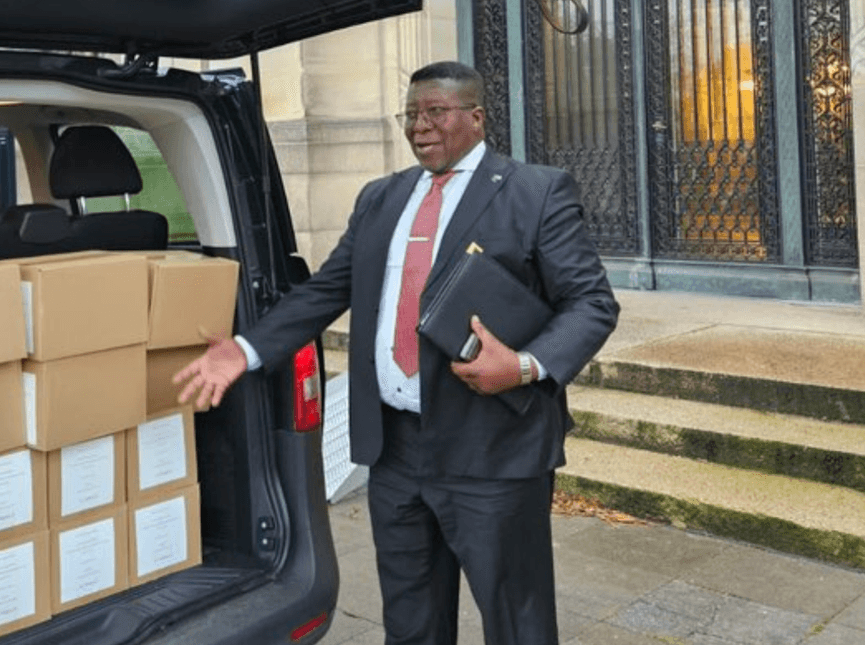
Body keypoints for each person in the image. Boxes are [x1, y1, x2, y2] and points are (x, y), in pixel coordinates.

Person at [174, 60, 619, 645]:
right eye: (410, 114)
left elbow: (591, 303)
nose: (419, 126)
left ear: (476, 117)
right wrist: (248, 349)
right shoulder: (381, 198)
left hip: (493, 449)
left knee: (518, 621)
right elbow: (327, 289)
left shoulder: (536, 192)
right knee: (410, 622)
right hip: (395, 452)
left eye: (435, 111)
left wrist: (523, 366)